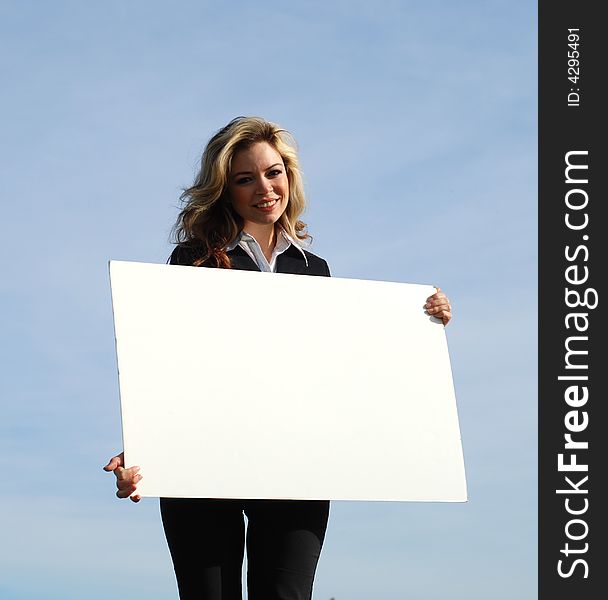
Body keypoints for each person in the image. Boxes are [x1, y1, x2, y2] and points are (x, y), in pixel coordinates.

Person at [103, 116, 452, 600]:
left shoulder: (315, 270)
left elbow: (344, 368)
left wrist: (423, 320)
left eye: (273, 173)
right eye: (245, 178)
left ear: (289, 177)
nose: (264, 188)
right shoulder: (195, 260)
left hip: (297, 468)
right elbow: (174, 366)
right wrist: (141, 445)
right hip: (205, 464)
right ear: (224, 189)